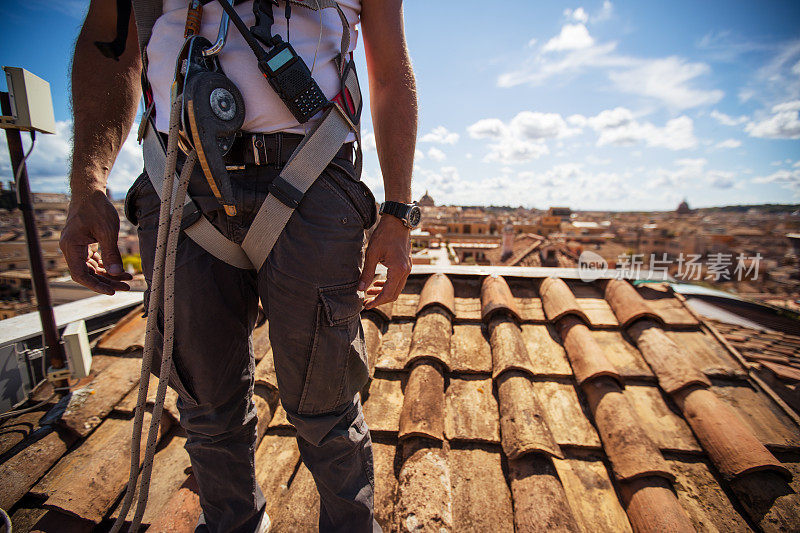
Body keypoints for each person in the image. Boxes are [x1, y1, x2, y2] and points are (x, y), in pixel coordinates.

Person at [60, 0, 417, 531]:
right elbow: (110, 49)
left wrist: (397, 212)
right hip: (177, 176)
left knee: (327, 405)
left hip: (311, 174)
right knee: (206, 406)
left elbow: (389, 70)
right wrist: (87, 183)